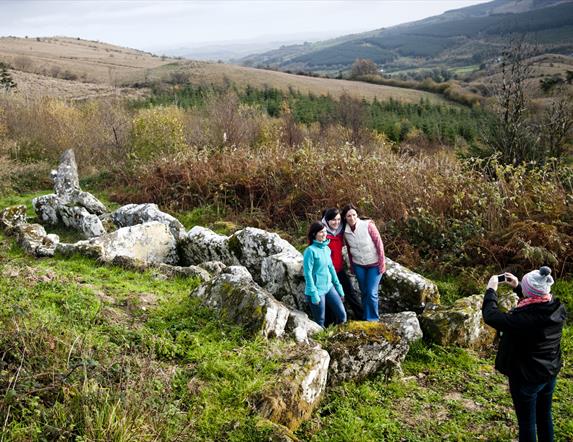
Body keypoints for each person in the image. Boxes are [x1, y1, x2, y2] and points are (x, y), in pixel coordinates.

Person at [482, 266, 567, 442]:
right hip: (548, 373)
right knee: (544, 416)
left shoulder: (522, 320)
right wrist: (519, 286)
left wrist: (491, 289)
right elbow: (535, 300)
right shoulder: (557, 308)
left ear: (530, 293)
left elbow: (490, 315)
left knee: (527, 423)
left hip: (526, 377)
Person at [340, 204, 386, 321]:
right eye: (349, 216)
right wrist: (352, 266)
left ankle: (373, 319)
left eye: (354, 215)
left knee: (371, 292)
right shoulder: (345, 231)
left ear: (357, 215)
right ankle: (366, 316)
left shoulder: (368, 225)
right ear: (345, 217)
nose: (352, 218)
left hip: (374, 264)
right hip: (359, 265)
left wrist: (382, 262)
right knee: (364, 292)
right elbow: (350, 250)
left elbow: (379, 243)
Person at [322, 207, 363, 320]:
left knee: (350, 293)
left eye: (338, 219)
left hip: (339, 269)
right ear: (327, 220)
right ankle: (329, 324)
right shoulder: (321, 233)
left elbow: (353, 220)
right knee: (330, 298)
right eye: (333, 220)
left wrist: (367, 221)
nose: (336, 222)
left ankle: (362, 317)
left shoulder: (340, 230)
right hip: (326, 272)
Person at [303, 221, 347, 327]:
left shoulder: (326, 248)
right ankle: (321, 341)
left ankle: (339, 338)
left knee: (342, 316)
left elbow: (331, 269)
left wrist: (339, 288)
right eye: (321, 232)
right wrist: (314, 294)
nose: (324, 234)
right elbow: (307, 273)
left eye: (325, 231)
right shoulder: (310, 251)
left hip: (329, 287)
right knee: (320, 321)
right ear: (314, 234)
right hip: (317, 291)